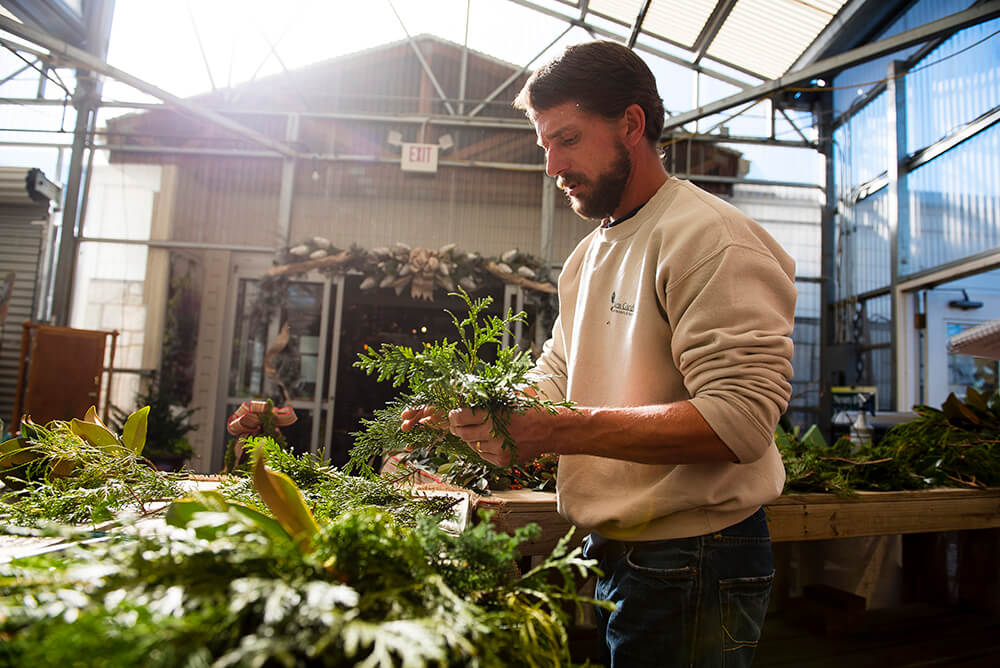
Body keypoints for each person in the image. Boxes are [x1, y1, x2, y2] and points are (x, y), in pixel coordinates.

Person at [402, 40, 796, 668]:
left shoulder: (709, 238)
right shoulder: (590, 255)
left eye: (568, 138)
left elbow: (740, 421)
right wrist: (483, 413)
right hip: (625, 555)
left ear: (631, 124)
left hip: (696, 555)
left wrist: (551, 429)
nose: (553, 164)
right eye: (546, 146)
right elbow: (557, 379)